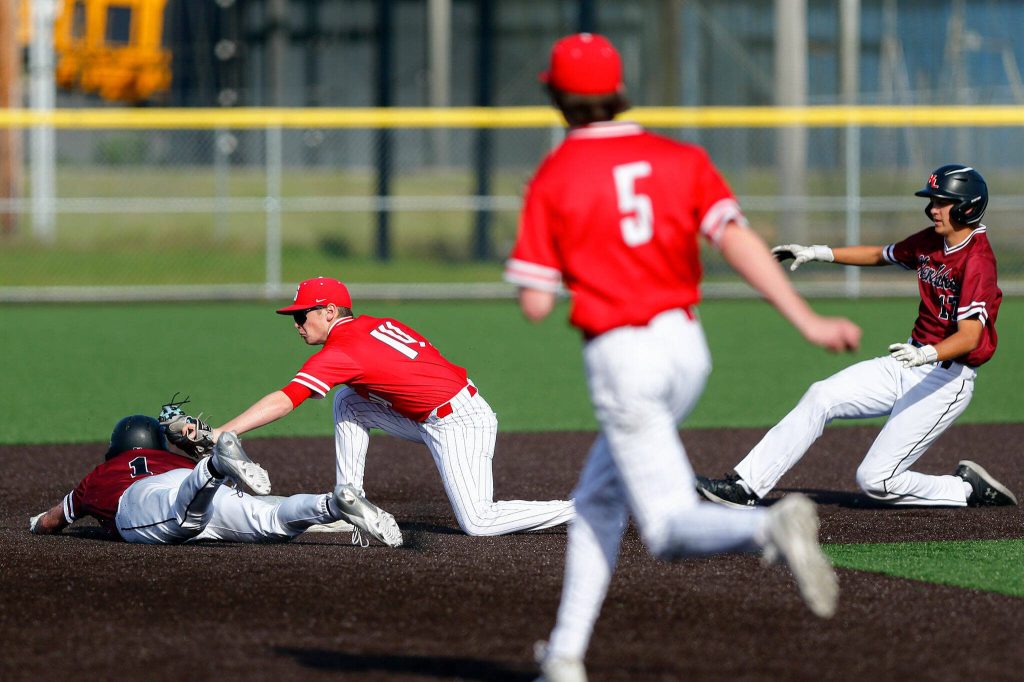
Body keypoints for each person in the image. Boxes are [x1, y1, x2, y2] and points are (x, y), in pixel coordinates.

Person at [504, 33, 862, 682]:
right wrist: (807, 318)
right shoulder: (679, 157)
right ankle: (563, 656)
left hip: (623, 358)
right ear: (619, 91)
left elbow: (534, 303)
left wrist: (545, 247)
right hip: (686, 351)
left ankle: (768, 528)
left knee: (667, 530)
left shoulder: (556, 175)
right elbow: (738, 239)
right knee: (597, 504)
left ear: (556, 95)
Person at [697, 164, 1017, 510]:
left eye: (942, 202)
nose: (933, 209)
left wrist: (926, 355)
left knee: (876, 481)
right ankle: (746, 486)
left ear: (967, 207)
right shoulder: (932, 240)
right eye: (933, 201)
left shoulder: (978, 260)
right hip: (908, 361)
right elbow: (882, 254)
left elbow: (971, 336)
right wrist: (821, 252)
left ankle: (965, 490)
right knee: (822, 395)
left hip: (946, 378)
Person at [205, 275, 575, 542]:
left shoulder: (342, 350)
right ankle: (350, 502)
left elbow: (286, 400)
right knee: (348, 400)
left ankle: (581, 509)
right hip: (435, 412)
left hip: (461, 422)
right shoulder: (374, 324)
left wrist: (224, 432)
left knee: (479, 520)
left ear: (330, 312)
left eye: (303, 315)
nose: (298, 324)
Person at [27, 414, 382, 544]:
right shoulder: (170, 456)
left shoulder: (103, 474)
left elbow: (54, 519)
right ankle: (332, 503)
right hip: (187, 476)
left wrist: (36, 524)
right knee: (273, 521)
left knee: (181, 519)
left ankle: (215, 465)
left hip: (144, 497)